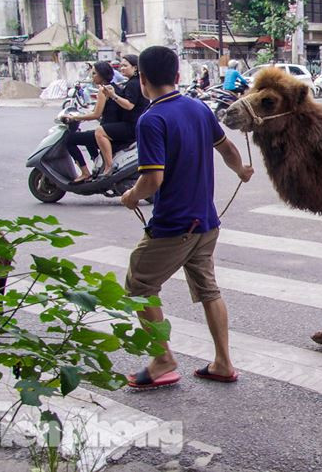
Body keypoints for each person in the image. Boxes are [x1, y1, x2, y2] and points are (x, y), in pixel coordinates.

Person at [120, 45, 253, 390]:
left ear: (143, 79)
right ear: (178, 76)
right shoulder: (199, 107)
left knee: (139, 285)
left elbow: (152, 180)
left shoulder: (151, 119)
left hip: (174, 225)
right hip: (206, 222)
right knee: (208, 289)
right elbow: (227, 148)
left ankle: (163, 359)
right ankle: (223, 363)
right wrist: (241, 170)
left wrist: (131, 196)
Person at [65, 61, 121, 183]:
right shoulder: (114, 87)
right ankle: (98, 165)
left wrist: (75, 118)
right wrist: (84, 115)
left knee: (69, 140)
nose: (92, 76)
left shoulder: (103, 90)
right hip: (113, 128)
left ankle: (85, 173)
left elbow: (96, 114)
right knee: (88, 137)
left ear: (102, 75)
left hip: (107, 130)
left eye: (94, 74)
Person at [94, 54, 149, 177]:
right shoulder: (132, 82)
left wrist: (113, 96)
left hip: (132, 125)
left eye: (125, 66)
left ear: (135, 68)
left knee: (99, 132)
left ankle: (109, 166)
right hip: (134, 123)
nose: (122, 68)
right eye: (121, 66)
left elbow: (129, 105)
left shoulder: (133, 84)